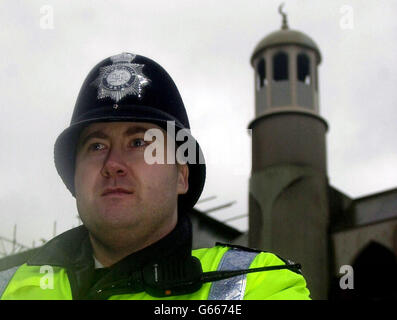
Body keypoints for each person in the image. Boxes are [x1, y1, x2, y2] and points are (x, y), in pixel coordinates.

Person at [0, 52, 311, 300]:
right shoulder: (7, 288)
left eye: (139, 143)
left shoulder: (259, 285)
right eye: (96, 146)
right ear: (74, 178)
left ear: (181, 175)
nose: (113, 164)